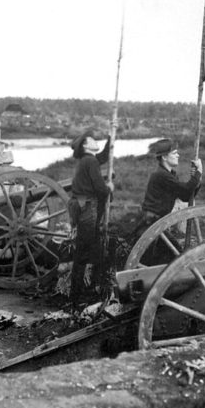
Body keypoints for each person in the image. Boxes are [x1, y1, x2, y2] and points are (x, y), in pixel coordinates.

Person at [133, 139, 203, 263]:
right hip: (151, 224)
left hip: (159, 224)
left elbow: (185, 196)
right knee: (158, 259)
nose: (178, 155)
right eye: (174, 153)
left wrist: (196, 178)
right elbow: (186, 189)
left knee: (171, 257)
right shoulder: (161, 175)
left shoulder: (170, 175)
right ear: (164, 157)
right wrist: (198, 172)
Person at [67, 129, 113, 306]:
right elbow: (101, 189)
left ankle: (79, 294)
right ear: (86, 145)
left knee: (84, 249)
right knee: (84, 251)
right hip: (87, 207)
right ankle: (77, 297)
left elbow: (102, 157)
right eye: (92, 139)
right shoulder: (90, 161)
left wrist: (111, 139)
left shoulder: (87, 160)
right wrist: (110, 187)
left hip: (80, 205)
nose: (95, 140)